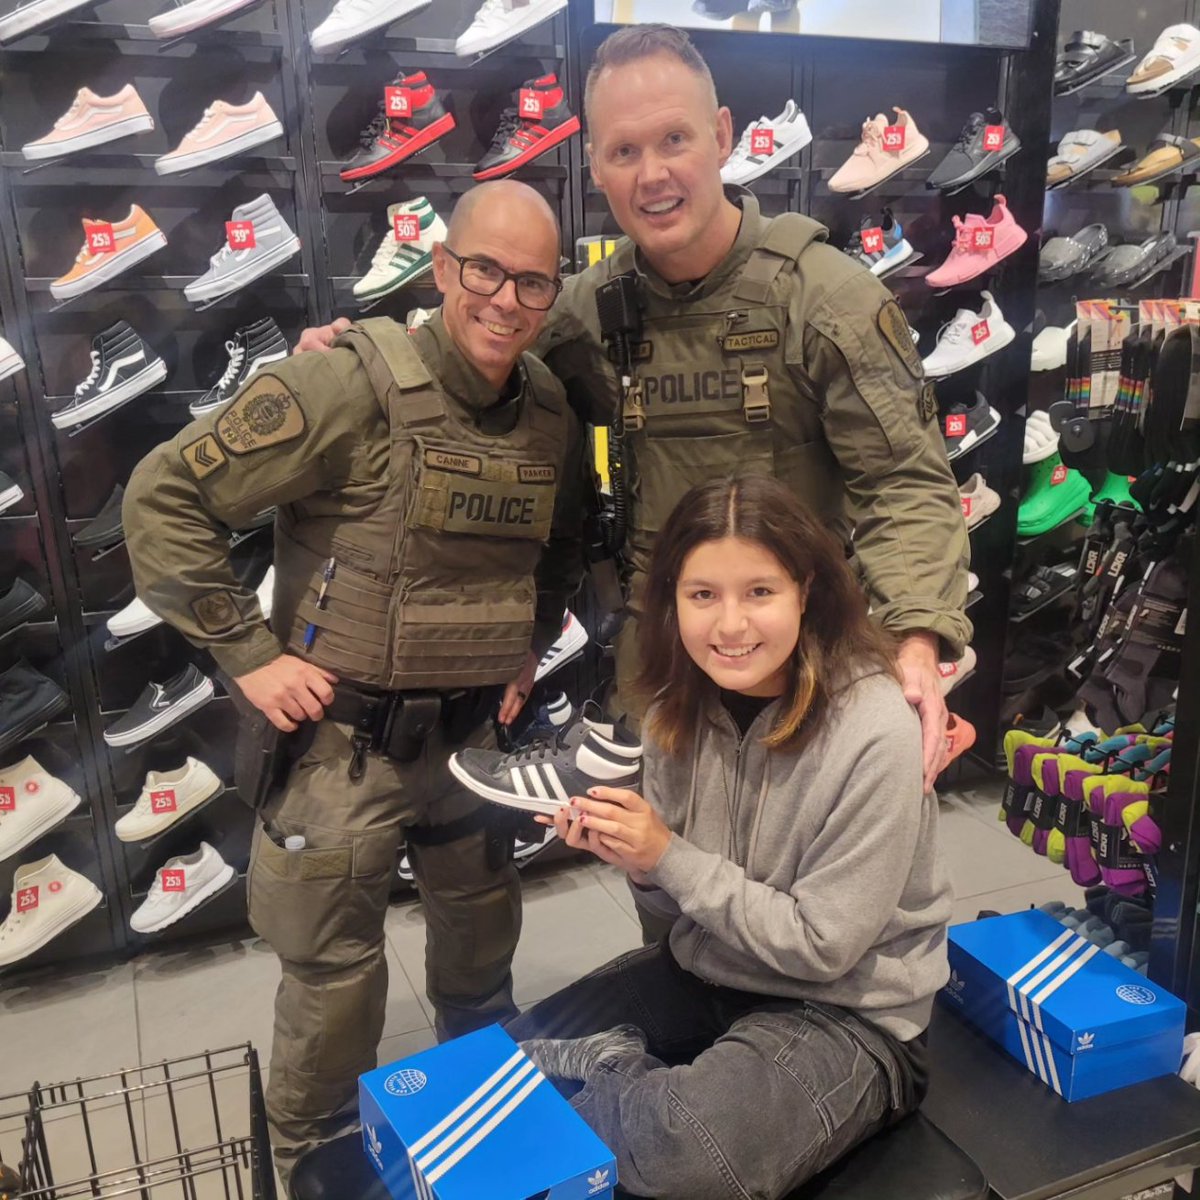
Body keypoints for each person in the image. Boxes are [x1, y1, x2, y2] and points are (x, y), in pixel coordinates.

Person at [296, 23, 971, 802]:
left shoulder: (826, 300)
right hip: (659, 679)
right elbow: (466, 352)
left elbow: (907, 485)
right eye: (624, 152)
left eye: (675, 140)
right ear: (597, 169)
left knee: (794, 904)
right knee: (669, 890)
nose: (653, 175)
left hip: (802, 669)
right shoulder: (585, 309)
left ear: (721, 137)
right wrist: (360, 356)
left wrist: (916, 638)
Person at [122, 179, 588, 1183]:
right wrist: (250, 655)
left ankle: (485, 1132)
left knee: (479, 958)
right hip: (345, 745)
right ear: (442, 265)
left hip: (469, 744)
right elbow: (162, 502)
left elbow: (556, 547)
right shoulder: (345, 382)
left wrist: (530, 642)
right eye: (483, 271)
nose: (505, 301)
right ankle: (318, 1164)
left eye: (533, 283)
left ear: (555, 293)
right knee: (334, 986)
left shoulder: (547, 405)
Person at [506, 474, 953, 1200]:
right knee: (510, 1063)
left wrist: (668, 857)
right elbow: (673, 921)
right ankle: (629, 1090)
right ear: (672, 599)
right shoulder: (671, 712)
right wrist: (640, 866)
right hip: (710, 970)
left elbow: (823, 947)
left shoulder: (874, 729)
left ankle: (619, 1075)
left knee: (685, 1153)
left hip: (848, 1012)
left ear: (806, 591)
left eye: (759, 593)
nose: (731, 626)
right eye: (702, 595)